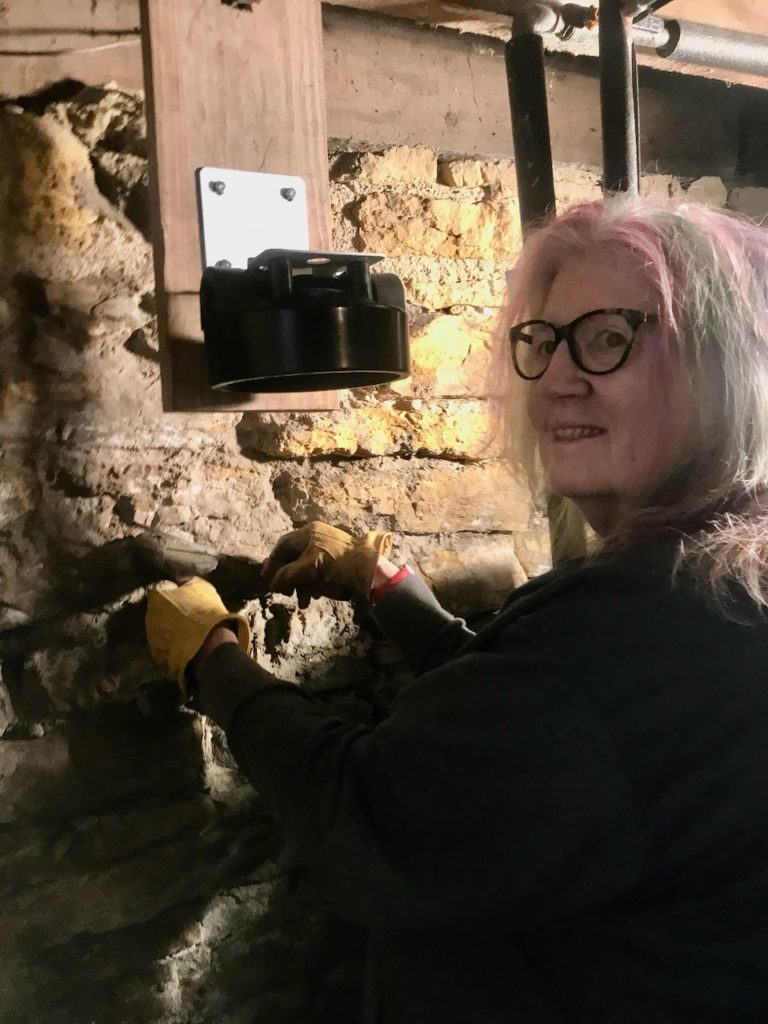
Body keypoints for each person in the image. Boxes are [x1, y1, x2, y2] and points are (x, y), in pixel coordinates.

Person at [146, 196, 768, 1024]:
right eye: (543, 342)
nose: (554, 377)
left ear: (726, 368)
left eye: (610, 338)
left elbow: (366, 815)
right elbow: (534, 751)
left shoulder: (634, 630)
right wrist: (396, 594)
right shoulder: (713, 594)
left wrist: (213, 661)